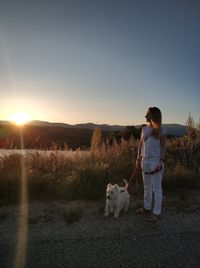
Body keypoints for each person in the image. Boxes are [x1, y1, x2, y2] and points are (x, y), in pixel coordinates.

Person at [135, 107, 166, 222]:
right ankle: (147, 207)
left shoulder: (161, 129)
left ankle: (156, 212)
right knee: (146, 186)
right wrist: (138, 159)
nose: (145, 116)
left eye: (147, 114)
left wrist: (161, 162)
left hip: (156, 160)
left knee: (156, 188)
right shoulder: (144, 129)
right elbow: (140, 145)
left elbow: (163, 147)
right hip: (145, 160)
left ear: (153, 116)